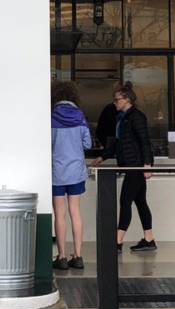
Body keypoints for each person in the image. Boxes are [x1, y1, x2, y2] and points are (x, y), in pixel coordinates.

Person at [92, 81, 157, 253]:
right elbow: (119, 144)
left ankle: (117, 241)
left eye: (117, 100)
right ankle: (149, 239)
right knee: (140, 202)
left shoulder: (136, 117)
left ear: (127, 99)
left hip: (136, 166)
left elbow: (145, 142)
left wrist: (147, 165)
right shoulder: (122, 119)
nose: (115, 103)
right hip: (132, 165)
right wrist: (102, 156)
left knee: (125, 201)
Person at [50, 82, 91, 270]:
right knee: (75, 211)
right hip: (76, 172)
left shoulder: (51, 118)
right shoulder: (80, 117)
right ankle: (79, 256)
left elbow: (46, 144)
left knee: (59, 213)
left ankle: (62, 257)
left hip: (57, 172)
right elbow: (87, 144)